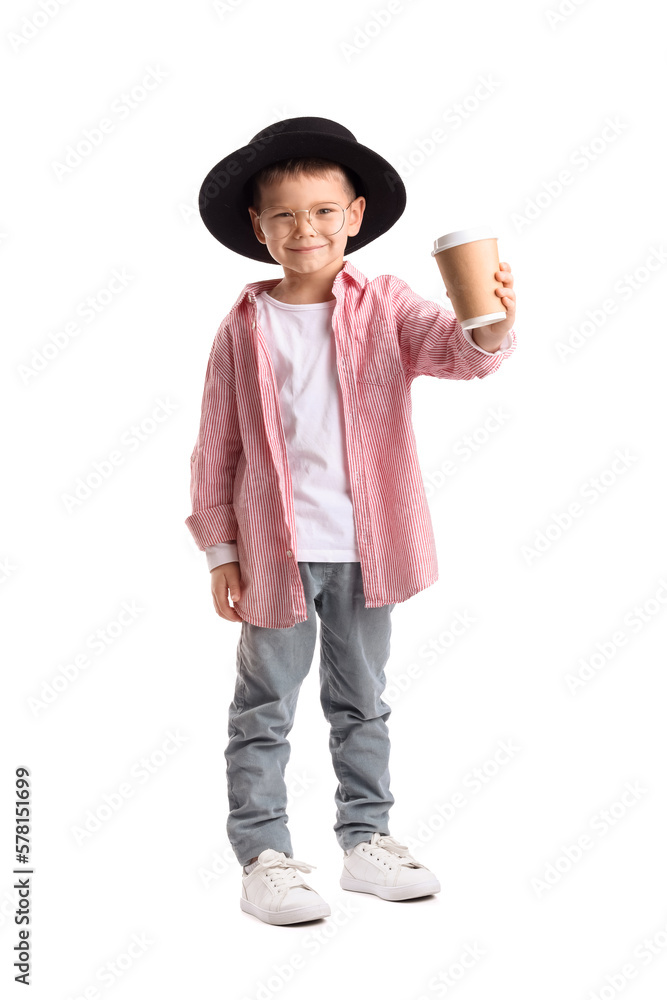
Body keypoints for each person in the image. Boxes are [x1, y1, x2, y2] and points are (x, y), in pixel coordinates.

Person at [185, 117, 518, 926]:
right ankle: (264, 856)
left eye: (324, 212)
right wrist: (222, 551)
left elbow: (455, 351)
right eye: (286, 216)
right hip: (273, 554)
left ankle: (366, 840)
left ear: (355, 215)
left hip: (369, 550)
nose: (307, 230)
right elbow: (216, 446)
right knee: (263, 705)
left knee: (360, 699)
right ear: (259, 230)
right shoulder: (242, 327)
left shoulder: (386, 306)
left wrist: (493, 321)